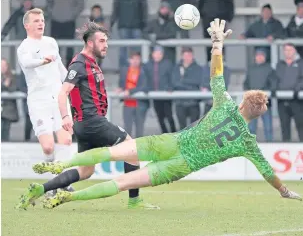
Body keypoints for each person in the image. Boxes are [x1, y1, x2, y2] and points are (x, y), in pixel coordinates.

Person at [33, 19, 302, 209]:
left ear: (243, 102)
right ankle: (69, 198)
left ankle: (61, 165)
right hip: (180, 165)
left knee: (116, 152)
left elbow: (216, 75)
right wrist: (284, 191)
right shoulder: (248, 142)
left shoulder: (226, 104)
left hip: (171, 141)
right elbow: (267, 172)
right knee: (123, 182)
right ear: (256, 116)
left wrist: (217, 45)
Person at [16, 22, 158, 210]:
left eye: (106, 41)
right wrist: (65, 117)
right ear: (90, 43)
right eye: (101, 41)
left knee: (86, 171)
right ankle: (134, 201)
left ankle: (41, 189)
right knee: (132, 150)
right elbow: (63, 92)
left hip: (87, 124)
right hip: (92, 122)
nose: (105, 44)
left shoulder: (91, 63)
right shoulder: (79, 63)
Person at [16, 8, 73, 194]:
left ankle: (61, 182)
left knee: (65, 141)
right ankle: (53, 174)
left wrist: (71, 82)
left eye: (42, 20)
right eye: (36, 21)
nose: (41, 23)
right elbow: (26, 63)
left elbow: (59, 66)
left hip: (58, 98)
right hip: (38, 101)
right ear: (27, 25)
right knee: (48, 147)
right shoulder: (24, 47)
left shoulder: (51, 42)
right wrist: (42, 60)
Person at [1, 58, 19, 141]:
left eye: (4, 65)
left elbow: (14, 89)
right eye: (1, 65)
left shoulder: (12, 77)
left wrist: (6, 86)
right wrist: (5, 85)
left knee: (6, 128)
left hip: (8, 108)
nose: (3, 67)